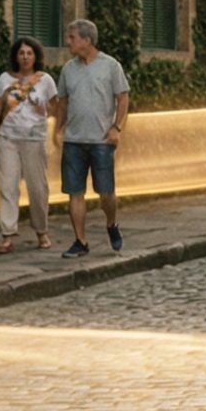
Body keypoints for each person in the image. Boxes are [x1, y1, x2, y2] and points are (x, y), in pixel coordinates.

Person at [52, 19, 130, 259]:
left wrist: (116, 127)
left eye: (72, 37)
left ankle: (111, 223)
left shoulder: (110, 66)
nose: (68, 42)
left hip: (101, 141)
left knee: (106, 193)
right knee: (75, 192)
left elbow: (123, 98)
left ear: (87, 40)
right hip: (74, 140)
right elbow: (63, 102)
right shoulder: (68, 69)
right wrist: (58, 129)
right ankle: (81, 241)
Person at [0, 37, 56, 253]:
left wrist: (43, 109)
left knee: (37, 188)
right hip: (8, 138)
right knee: (8, 186)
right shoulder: (5, 79)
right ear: (16, 56)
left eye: (29, 53)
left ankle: (41, 231)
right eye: (21, 53)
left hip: (35, 138)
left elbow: (56, 109)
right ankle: (7, 235)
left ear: (35, 56)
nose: (25, 57)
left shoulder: (45, 80)